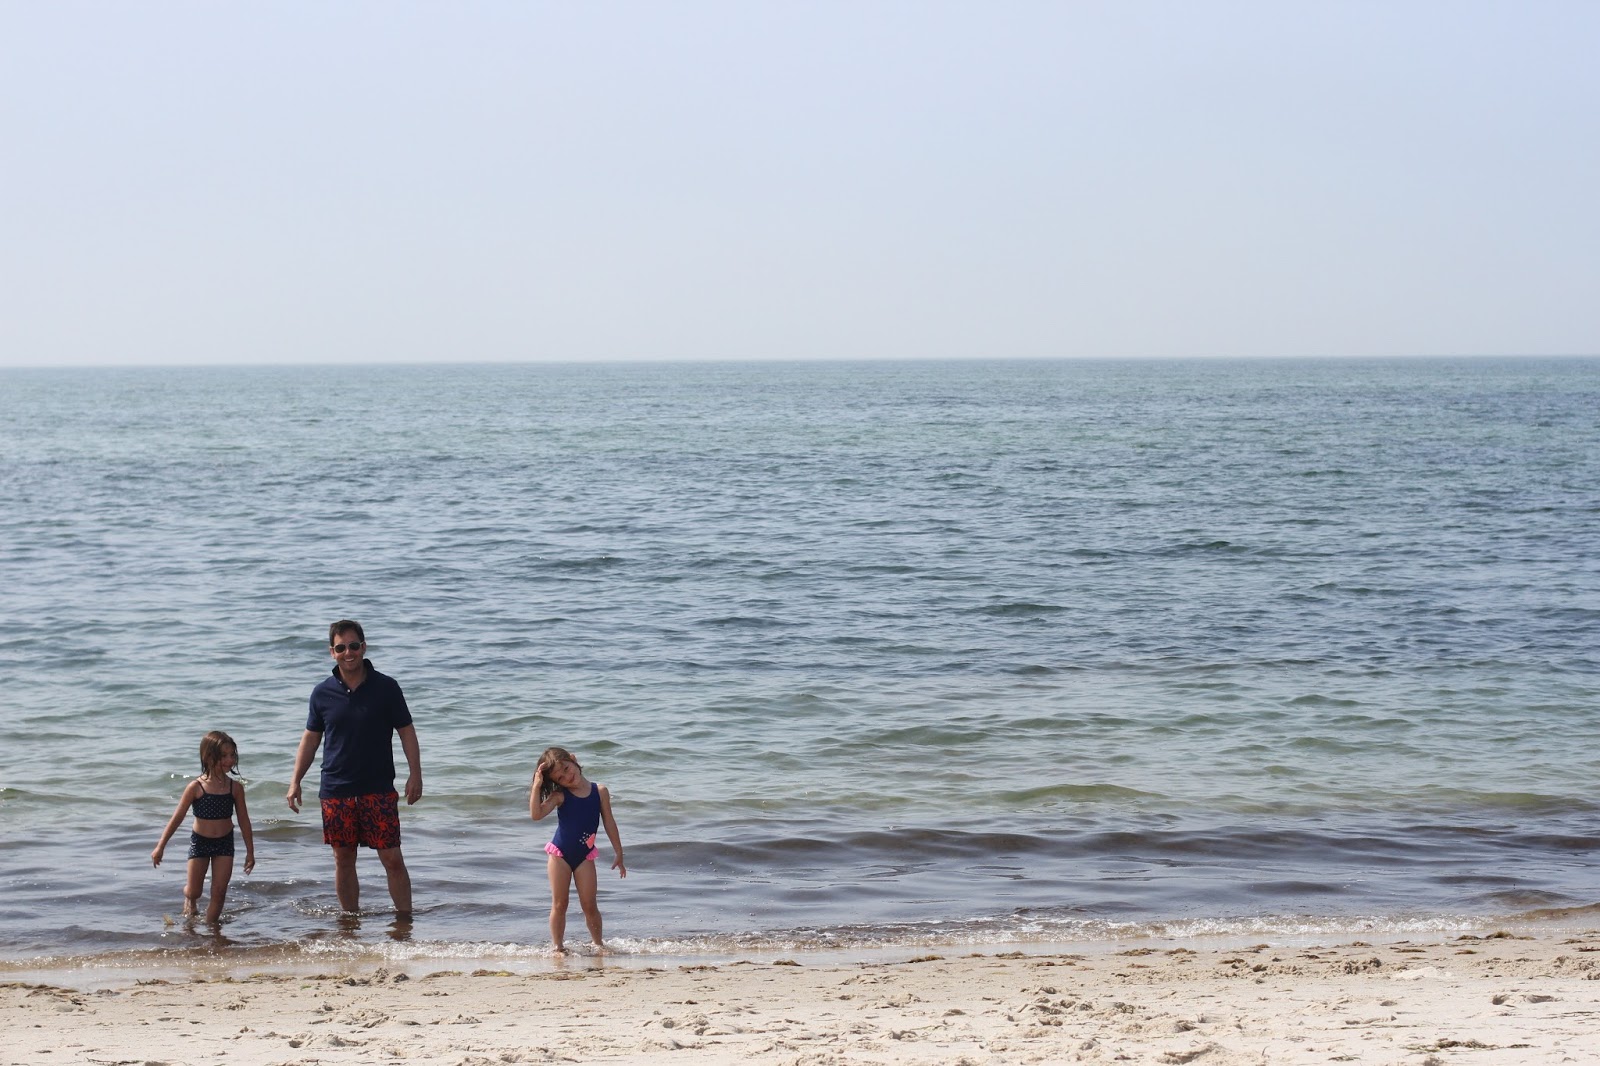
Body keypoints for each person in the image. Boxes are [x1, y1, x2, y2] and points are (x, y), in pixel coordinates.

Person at [286, 620, 422, 914]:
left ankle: (405, 922)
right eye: (341, 648)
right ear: (332, 652)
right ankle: (349, 924)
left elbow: (406, 731)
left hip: (378, 789)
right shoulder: (321, 693)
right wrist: (295, 781)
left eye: (354, 646)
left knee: (392, 859)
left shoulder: (387, 688)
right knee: (343, 859)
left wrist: (416, 774)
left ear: (364, 647)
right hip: (336, 790)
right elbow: (310, 739)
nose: (348, 653)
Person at [152, 730, 255, 923]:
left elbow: (244, 821)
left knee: (219, 892)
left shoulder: (235, 788)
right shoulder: (196, 787)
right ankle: (189, 899)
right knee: (194, 891)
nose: (230, 760)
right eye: (224, 756)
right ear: (208, 757)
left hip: (224, 843)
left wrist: (250, 852)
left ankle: (211, 929)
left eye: (232, 755)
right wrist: (160, 846)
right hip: (200, 843)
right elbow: (177, 817)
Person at [529, 746, 625, 953]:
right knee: (560, 904)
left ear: (573, 759)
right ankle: (558, 948)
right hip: (560, 855)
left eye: (566, 768)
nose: (567, 776)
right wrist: (537, 786)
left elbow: (609, 822)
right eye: (560, 778)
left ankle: (598, 945)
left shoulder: (600, 791)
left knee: (589, 904)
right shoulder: (560, 796)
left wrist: (619, 851)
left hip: (584, 857)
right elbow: (536, 815)